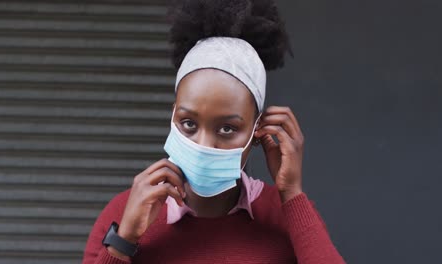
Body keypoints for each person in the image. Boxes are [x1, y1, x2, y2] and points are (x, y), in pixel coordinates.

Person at [83, 0, 345, 263]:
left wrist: (291, 194)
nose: (203, 144)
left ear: (257, 131)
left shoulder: (284, 215)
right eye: (189, 124)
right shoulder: (124, 212)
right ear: (173, 115)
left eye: (227, 128)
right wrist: (124, 240)